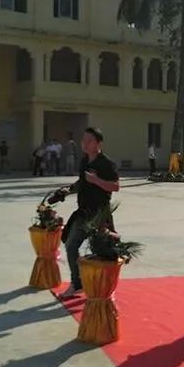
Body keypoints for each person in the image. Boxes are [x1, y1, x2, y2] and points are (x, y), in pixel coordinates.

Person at [59, 127, 121, 298]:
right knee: (71, 245)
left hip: (99, 215)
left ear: (98, 143)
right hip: (83, 212)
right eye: (83, 140)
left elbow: (115, 186)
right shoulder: (84, 160)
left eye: (89, 141)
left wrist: (97, 180)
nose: (85, 144)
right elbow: (82, 182)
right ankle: (77, 283)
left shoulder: (106, 164)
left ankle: (102, 289)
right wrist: (68, 190)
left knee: (103, 252)